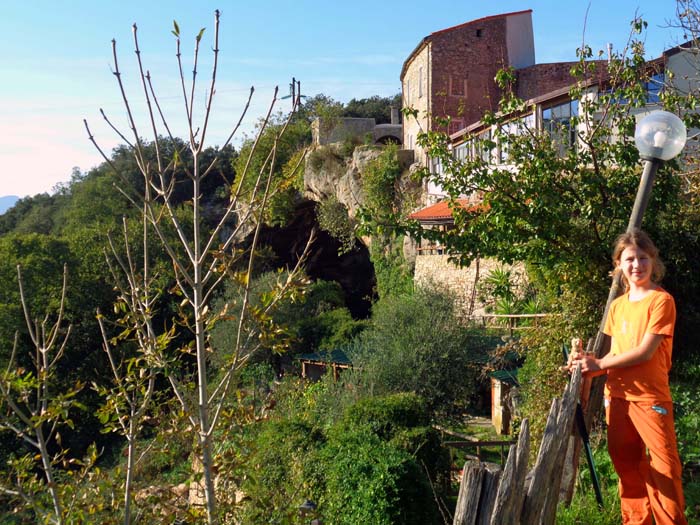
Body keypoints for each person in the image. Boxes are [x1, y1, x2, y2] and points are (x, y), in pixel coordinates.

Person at [571, 229, 687, 525]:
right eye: (630, 259)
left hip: (650, 398)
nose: (637, 265)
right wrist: (586, 364)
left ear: (653, 261)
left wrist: (598, 365)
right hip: (617, 397)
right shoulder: (617, 306)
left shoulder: (661, 301)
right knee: (627, 466)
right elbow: (615, 352)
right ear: (619, 264)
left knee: (665, 468)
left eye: (642, 258)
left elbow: (645, 352)